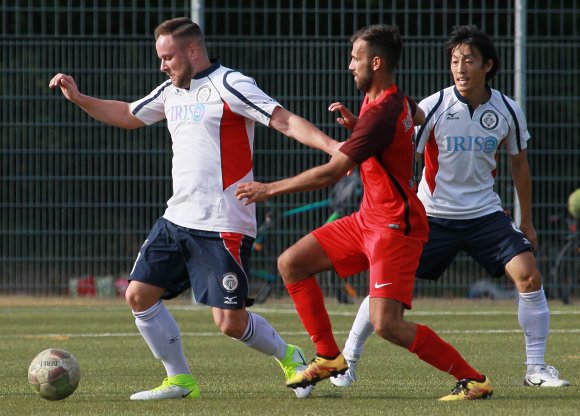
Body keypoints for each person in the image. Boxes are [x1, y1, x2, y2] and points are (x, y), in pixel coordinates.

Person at [49, 17, 342, 400]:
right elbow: (126, 115)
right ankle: (180, 380)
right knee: (138, 295)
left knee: (230, 323)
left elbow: (284, 121)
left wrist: (336, 149)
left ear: (192, 50)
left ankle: (291, 357)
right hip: (176, 219)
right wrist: (80, 98)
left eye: (167, 56)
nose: (163, 65)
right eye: (160, 58)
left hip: (223, 225)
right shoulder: (170, 91)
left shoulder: (230, 84)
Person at [236, 24, 493, 401]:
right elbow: (417, 116)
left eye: (355, 58)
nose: (350, 65)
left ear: (376, 62)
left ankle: (474, 379)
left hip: (394, 226)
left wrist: (268, 188)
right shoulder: (392, 102)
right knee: (292, 262)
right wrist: (365, 131)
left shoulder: (384, 110)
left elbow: (331, 173)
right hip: (366, 219)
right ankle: (327, 356)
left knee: (387, 325)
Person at [330, 25, 570, 389]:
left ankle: (536, 369)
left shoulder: (508, 109)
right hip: (432, 217)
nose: (460, 68)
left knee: (529, 276)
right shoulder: (433, 106)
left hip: (486, 216)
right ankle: (346, 362)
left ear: (487, 65)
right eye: (455, 61)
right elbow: (393, 141)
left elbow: (519, 166)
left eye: (469, 60)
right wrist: (359, 126)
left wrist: (528, 222)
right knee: (385, 289)